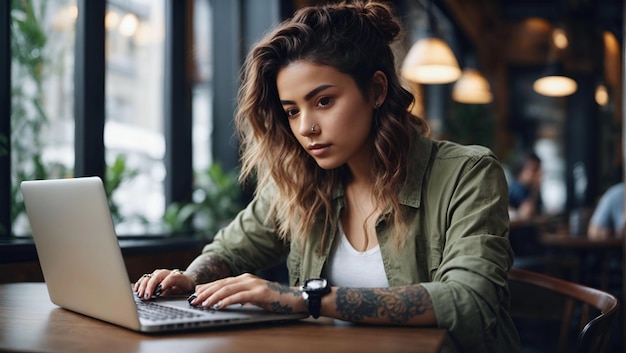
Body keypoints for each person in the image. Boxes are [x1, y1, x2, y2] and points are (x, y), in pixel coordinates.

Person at [134, 1, 520, 351]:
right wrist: (188, 278)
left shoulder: (466, 174)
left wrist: (306, 299)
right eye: (292, 111)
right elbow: (230, 250)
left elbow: (469, 302)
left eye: (323, 101)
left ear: (377, 90)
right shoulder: (300, 180)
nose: (306, 128)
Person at [508, 151, 543, 221]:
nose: (538, 174)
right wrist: (536, 188)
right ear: (522, 170)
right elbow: (527, 212)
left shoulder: (528, 188)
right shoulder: (516, 189)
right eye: (534, 170)